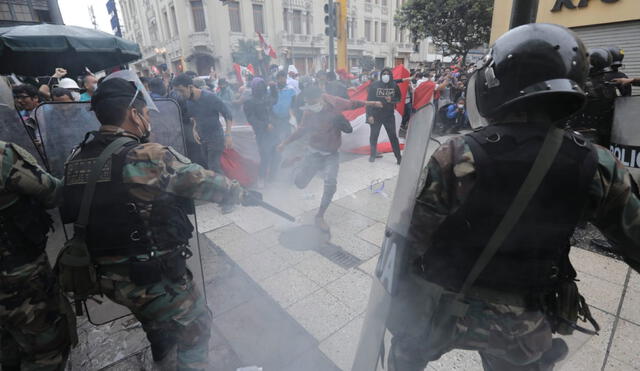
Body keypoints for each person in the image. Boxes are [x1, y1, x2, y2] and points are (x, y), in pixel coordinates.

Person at [383, 23, 640, 371]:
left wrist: (401, 309)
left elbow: (412, 238)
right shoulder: (598, 164)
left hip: (441, 310)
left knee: (404, 356)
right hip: (522, 325)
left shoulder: (459, 154)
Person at [59, 77, 259, 370]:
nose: (149, 119)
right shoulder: (146, 155)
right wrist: (241, 193)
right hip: (152, 278)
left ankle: (162, 360)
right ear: (134, 114)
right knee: (196, 327)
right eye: (147, 114)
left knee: (156, 324)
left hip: (107, 277)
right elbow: (202, 181)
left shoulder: (76, 158)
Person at [0, 140, 74, 371]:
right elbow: (53, 193)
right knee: (46, 349)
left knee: (7, 347)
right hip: (17, 277)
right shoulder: (4, 155)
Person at [277, 86, 382, 232]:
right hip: (313, 152)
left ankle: (319, 216)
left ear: (321, 97)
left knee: (330, 183)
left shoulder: (335, 103)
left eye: (313, 102)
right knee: (300, 184)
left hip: (331, 153)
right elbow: (301, 130)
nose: (311, 106)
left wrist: (372, 103)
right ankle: (298, 161)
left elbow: (353, 104)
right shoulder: (308, 112)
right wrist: (285, 143)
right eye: (308, 103)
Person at [172, 73, 233, 175]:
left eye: (181, 91)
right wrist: (194, 129)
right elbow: (195, 117)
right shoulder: (189, 101)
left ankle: (225, 190)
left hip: (215, 137)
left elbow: (228, 115)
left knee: (214, 168)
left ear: (190, 87)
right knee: (208, 166)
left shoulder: (210, 97)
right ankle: (221, 187)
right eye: (177, 91)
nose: (180, 94)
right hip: (202, 138)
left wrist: (228, 135)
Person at [244, 78, 279, 187]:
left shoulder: (266, 97)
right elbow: (251, 119)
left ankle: (272, 177)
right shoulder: (249, 101)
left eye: (262, 86)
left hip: (273, 131)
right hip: (262, 133)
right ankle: (261, 178)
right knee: (265, 155)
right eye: (258, 87)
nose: (261, 89)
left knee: (277, 154)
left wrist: (273, 88)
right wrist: (264, 125)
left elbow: (275, 99)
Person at [366, 67, 402, 164]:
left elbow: (399, 98)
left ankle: (399, 157)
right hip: (375, 115)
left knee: (393, 136)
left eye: (388, 73)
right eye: (384, 73)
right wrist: (369, 115)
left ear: (390, 75)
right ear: (381, 75)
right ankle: (372, 155)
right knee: (374, 136)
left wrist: (392, 100)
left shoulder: (394, 85)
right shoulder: (374, 85)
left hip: (389, 116)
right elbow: (368, 101)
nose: (386, 75)